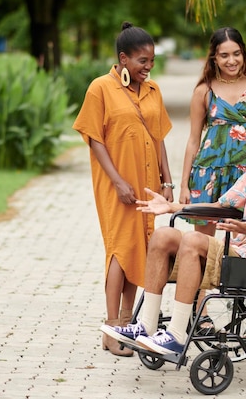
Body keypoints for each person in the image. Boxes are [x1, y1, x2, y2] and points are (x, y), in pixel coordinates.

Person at [101, 107, 246, 355]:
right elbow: (220, 207)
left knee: (195, 241)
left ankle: (176, 335)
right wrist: (173, 207)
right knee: (164, 236)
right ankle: (146, 326)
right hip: (241, 252)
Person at [73, 22, 174, 357]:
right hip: (116, 183)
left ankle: (127, 325)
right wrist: (117, 180)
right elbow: (93, 138)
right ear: (123, 58)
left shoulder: (153, 91)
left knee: (139, 251)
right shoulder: (100, 88)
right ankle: (111, 328)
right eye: (142, 61)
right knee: (119, 248)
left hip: (147, 185)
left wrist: (168, 182)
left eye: (152, 61)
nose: (148, 67)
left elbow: (158, 137)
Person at [179, 27, 246, 332]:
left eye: (236, 53)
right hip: (208, 174)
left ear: (243, 53)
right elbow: (194, 140)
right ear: (214, 58)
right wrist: (183, 185)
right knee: (203, 242)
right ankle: (199, 310)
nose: (231, 60)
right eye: (224, 55)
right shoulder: (204, 91)